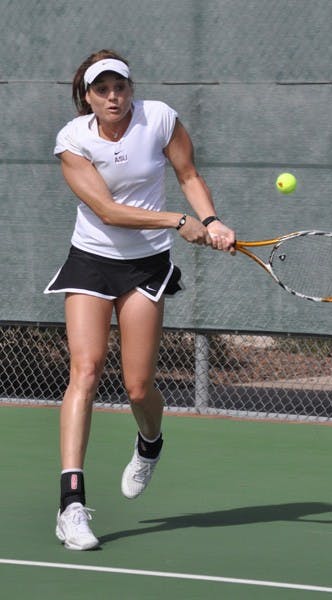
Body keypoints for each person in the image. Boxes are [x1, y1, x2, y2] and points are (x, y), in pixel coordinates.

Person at [44, 49, 235, 551]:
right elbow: (106, 210)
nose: (113, 97)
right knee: (84, 370)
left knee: (137, 386)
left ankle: (149, 441)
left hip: (146, 265)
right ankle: (71, 506)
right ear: (86, 96)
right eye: (102, 89)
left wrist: (211, 221)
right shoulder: (73, 140)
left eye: (120, 87)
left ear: (131, 89)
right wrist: (178, 221)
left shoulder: (160, 119)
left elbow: (188, 175)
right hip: (91, 260)